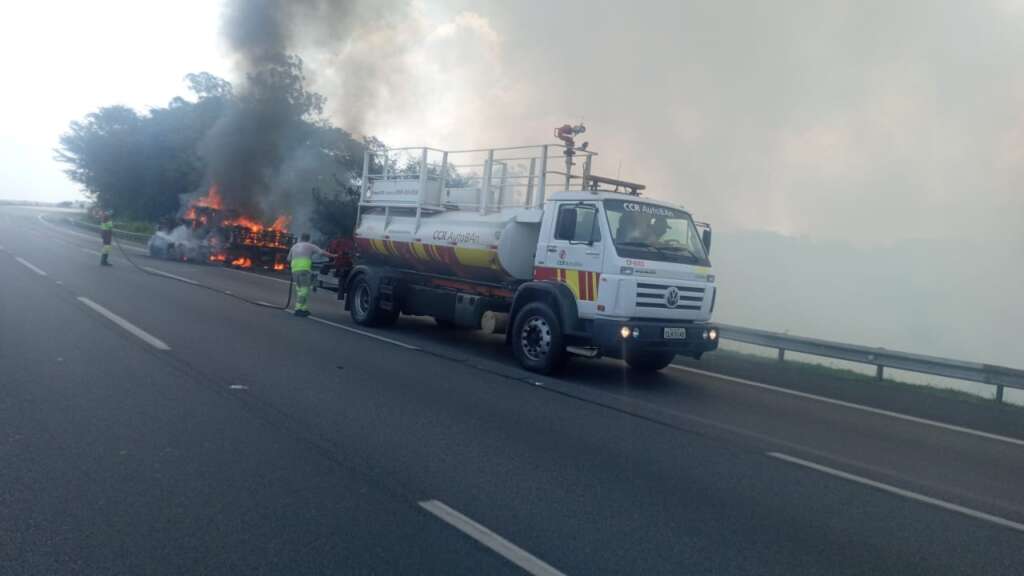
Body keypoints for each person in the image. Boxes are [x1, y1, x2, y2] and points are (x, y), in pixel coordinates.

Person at [287, 233, 337, 317]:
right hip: (304, 270)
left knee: (299, 289)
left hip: (294, 270)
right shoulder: (310, 246)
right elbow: (322, 252)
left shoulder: (294, 246)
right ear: (308, 239)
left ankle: (304, 309)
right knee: (304, 290)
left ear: (301, 238)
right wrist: (334, 256)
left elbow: (288, 259)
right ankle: (298, 309)